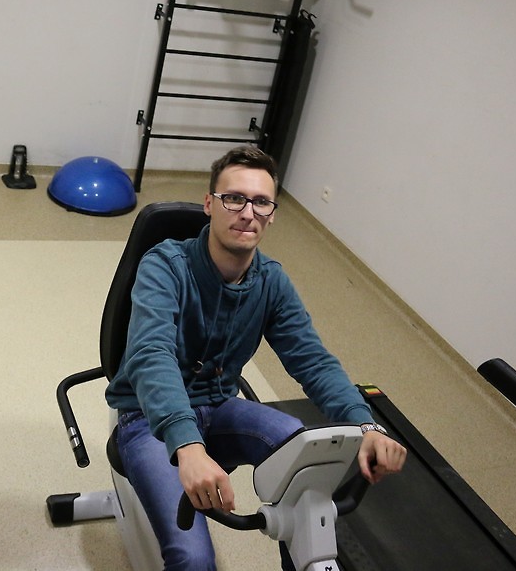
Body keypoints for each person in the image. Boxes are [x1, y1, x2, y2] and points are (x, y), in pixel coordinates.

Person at [105, 145, 407, 570]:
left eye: (261, 202)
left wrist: (364, 424)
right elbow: (150, 354)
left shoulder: (271, 281)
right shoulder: (165, 265)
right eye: (234, 198)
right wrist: (188, 447)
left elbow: (313, 361)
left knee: (304, 455)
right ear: (209, 203)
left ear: (272, 213)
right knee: (192, 558)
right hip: (146, 419)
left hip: (219, 407)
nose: (248, 213)